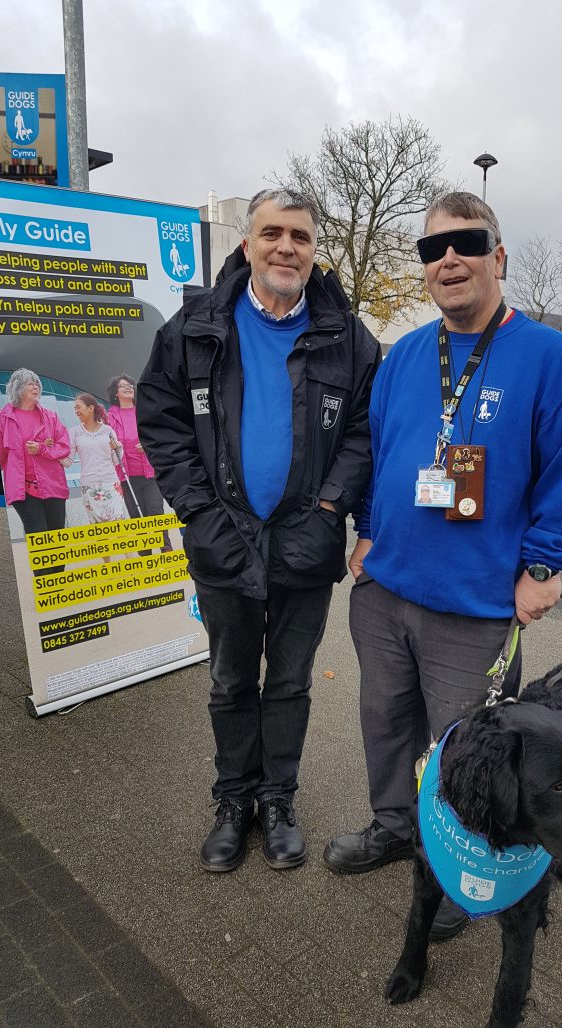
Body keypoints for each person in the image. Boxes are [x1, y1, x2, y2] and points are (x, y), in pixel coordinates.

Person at [324, 192, 562, 940]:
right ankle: (392, 828)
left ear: (497, 257)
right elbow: (383, 457)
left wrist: (543, 568)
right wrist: (369, 533)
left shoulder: (550, 359)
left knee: (464, 752)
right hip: (386, 591)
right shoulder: (406, 356)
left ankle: (454, 866)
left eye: (466, 242)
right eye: (431, 249)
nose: (447, 259)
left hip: (476, 606)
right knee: (383, 723)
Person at [137, 188, 380, 874]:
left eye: (299, 237)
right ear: (246, 245)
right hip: (223, 541)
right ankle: (232, 801)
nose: (285, 247)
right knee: (229, 682)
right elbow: (161, 422)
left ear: (312, 251)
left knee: (290, 685)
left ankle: (277, 801)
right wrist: (199, 512)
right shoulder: (194, 328)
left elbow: (364, 433)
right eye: (272, 233)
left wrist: (332, 506)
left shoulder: (348, 339)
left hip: (306, 543)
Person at [0, 368, 70, 576]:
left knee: (56, 535)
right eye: (30, 383)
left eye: (37, 383)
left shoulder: (51, 417)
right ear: (18, 388)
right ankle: (45, 583)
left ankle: (58, 581)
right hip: (22, 488)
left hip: (52, 484)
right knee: (38, 535)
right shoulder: (2, 419)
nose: (36, 386)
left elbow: (64, 446)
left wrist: (43, 449)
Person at [106, 374, 172, 552]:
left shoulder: (145, 410)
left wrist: (149, 445)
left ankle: (166, 552)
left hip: (150, 473)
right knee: (137, 517)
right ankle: (146, 558)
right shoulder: (110, 416)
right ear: (115, 393)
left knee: (156, 513)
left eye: (130, 385)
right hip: (127, 476)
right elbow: (105, 441)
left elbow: (160, 434)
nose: (128, 387)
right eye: (122, 386)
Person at [66, 394, 129, 532]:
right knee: (100, 531)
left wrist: (118, 447)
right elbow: (68, 461)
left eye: (78, 407)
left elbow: (115, 461)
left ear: (90, 408)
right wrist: (49, 450)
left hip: (111, 483)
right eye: (74, 408)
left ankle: (128, 554)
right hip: (89, 486)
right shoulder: (74, 432)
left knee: (120, 527)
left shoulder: (107, 430)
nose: (76, 411)